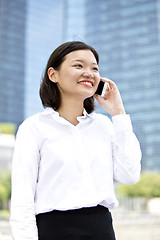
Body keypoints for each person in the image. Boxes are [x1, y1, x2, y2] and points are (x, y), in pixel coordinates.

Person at [10, 41, 141, 240]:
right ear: (53, 75)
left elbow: (129, 175)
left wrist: (119, 113)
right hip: (53, 231)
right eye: (79, 66)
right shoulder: (33, 128)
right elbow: (22, 198)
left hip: (102, 229)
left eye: (94, 68)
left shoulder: (104, 126)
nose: (89, 72)